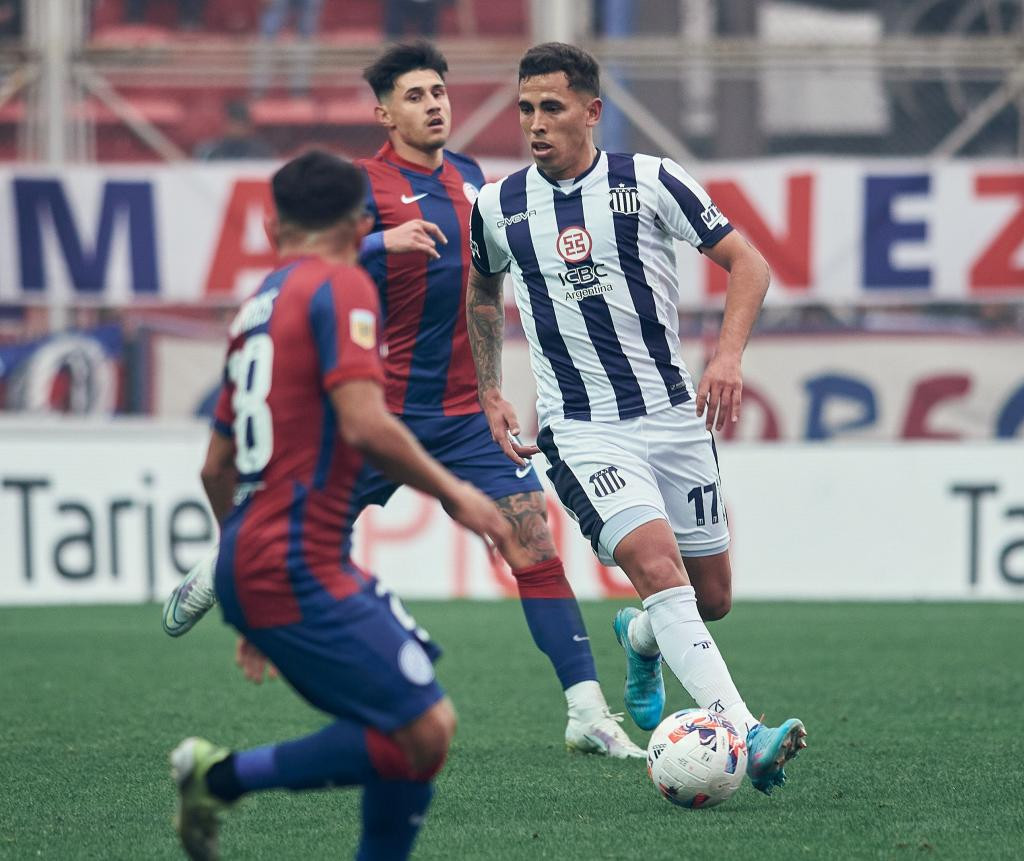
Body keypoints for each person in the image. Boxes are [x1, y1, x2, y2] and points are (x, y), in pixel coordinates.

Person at [164, 41, 643, 760]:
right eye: (416, 95)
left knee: (535, 546)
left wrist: (490, 388)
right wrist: (383, 242)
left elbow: (485, 291)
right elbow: (302, 271)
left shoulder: (477, 179)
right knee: (291, 536)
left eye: (440, 92)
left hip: (461, 419)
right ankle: (222, 564)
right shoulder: (361, 187)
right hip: (373, 417)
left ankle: (587, 712)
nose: (435, 104)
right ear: (384, 113)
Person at [465, 42, 808, 795]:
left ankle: (644, 636)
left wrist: (726, 358)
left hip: (673, 416)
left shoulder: (651, 182)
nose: (535, 124)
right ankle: (746, 734)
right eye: (525, 109)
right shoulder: (499, 204)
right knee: (657, 566)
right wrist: (491, 388)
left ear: (592, 111)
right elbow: (484, 294)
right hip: (582, 430)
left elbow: (748, 263)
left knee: (709, 596)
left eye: (551, 107)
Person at [169, 149, 510, 861]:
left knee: (414, 726)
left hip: (278, 560)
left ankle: (221, 777)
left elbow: (215, 465)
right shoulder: (343, 284)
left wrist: (240, 570)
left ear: (270, 223)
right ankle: (219, 776)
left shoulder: (254, 307)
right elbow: (365, 422)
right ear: (361, 223)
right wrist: (458, 493)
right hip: (293, 561)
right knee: (424, 730)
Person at [193, 101, 275, 161]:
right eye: (233, 123)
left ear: (248, 125)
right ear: (225, 123)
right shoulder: (209, 149)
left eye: (241, 124)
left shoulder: (261, 151)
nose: (237, 128)